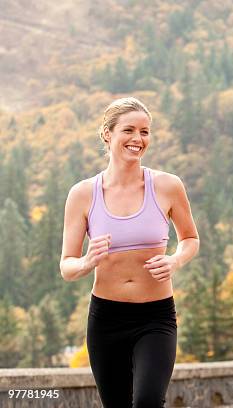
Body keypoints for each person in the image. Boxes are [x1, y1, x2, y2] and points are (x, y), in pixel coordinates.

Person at [60, 97, 200, 407]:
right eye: (129, 130)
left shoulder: (167, 186)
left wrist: (175, 259)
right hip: (106, 318)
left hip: (156, 316)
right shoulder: (83, 194)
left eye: (145, 132)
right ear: (107, 134)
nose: (138, 139)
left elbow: (190, 238)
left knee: (148, 402)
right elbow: (67, 266)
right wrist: (87, 261)